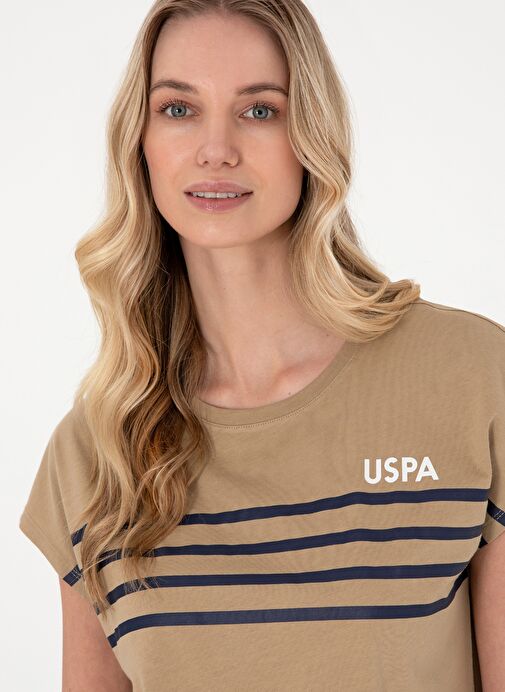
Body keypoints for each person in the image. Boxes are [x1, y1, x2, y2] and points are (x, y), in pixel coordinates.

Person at [18, 1, 505, 690]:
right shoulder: (95, 451)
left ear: (310, 135)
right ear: (139, 142)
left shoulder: (470, 377)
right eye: (178, 109)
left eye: (259, 110)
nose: (216, 148)